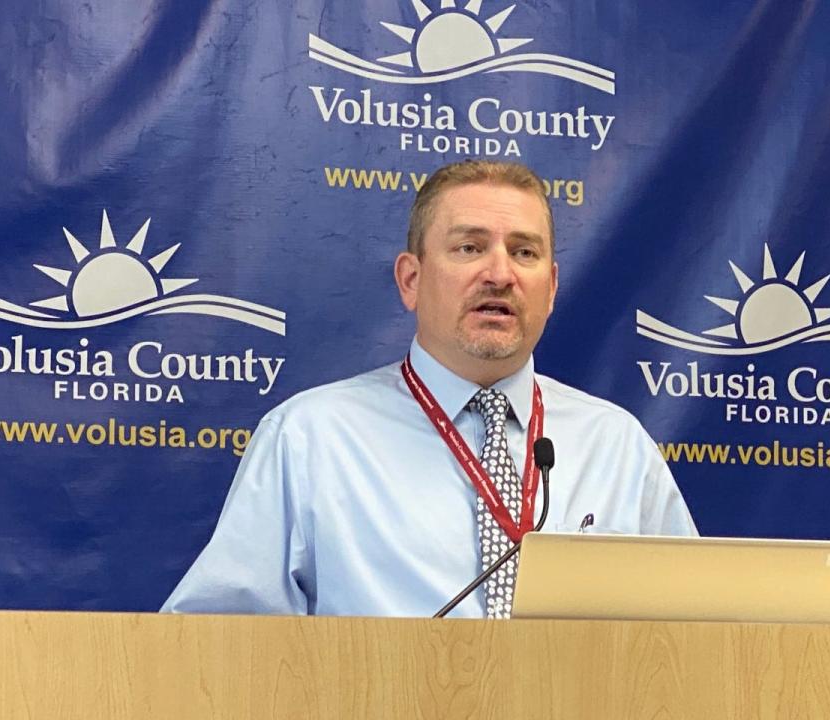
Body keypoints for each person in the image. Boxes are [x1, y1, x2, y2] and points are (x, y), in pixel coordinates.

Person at [162, 160, 696, 619]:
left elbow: (697, 639)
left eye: (525, 253)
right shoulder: (310, 438)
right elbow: (214, 646)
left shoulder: (618, 446)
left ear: (551, 288)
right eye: (469, 247)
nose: (500, 274)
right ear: (411, 280)